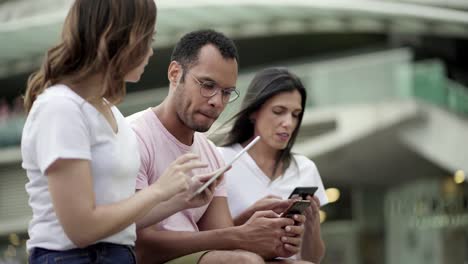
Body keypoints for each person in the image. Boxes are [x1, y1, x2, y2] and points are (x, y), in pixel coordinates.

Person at [21, 1, 207, 263]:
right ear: (122, 38)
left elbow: (121, 220)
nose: (151, 51)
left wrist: (181, 200)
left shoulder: (111, 112)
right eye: (148, 39)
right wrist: (158, 191)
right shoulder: (61, 108)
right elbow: (82, 229)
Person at [129, 30, 313, 264]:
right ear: (175, 74)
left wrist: (270, 237)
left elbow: (224, 238)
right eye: (207, 85)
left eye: (227, 92)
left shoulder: (211, 154)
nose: (217, 101)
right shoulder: (135, 137)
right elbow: (142, 246)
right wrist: (241, 234)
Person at [217, 67, 329, 263]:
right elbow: (207, 243)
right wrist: (247, 220)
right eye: (278, 111)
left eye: (295, 114)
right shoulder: (221, 161)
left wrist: (311, 224)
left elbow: (312, 259)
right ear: (253, 112)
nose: (288, 123)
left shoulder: (305, 169)